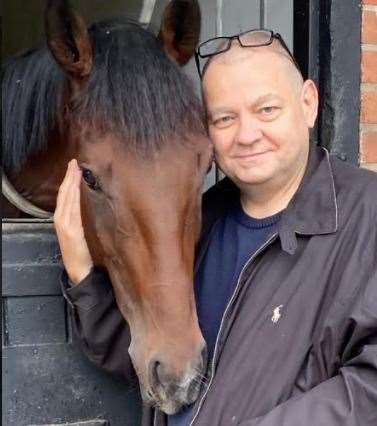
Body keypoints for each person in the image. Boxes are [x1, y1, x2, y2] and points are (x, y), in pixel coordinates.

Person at [54, 29, 377, 426]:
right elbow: (164, 360)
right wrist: (82, 275)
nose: (246, 135)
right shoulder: (203, 220)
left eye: (267, 110)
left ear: (308, 103)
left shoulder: (367, 217)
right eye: (224, 118)